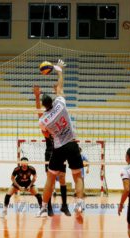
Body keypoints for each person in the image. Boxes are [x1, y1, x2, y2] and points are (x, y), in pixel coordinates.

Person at [36, 59, 85, 218]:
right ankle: (79, 203)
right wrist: (59, 70)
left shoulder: (43, 120)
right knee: (77, 175)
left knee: (50, 177)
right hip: (71, 144)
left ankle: (43, 207)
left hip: (58, 147)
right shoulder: (61, 104)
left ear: (44, 106)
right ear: (53, 100)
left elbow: (45, 134)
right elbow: (60, 87)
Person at [33, 85, 71, 217]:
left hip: (59, 149)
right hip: (51, 151)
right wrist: (57, 91)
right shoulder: (54, 112)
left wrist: (37, 96)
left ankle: (64, 206)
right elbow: (58, 99)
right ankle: (48, 208)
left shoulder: (45, 120)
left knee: (61, 178)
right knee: (51, 180)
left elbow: (39, 112)